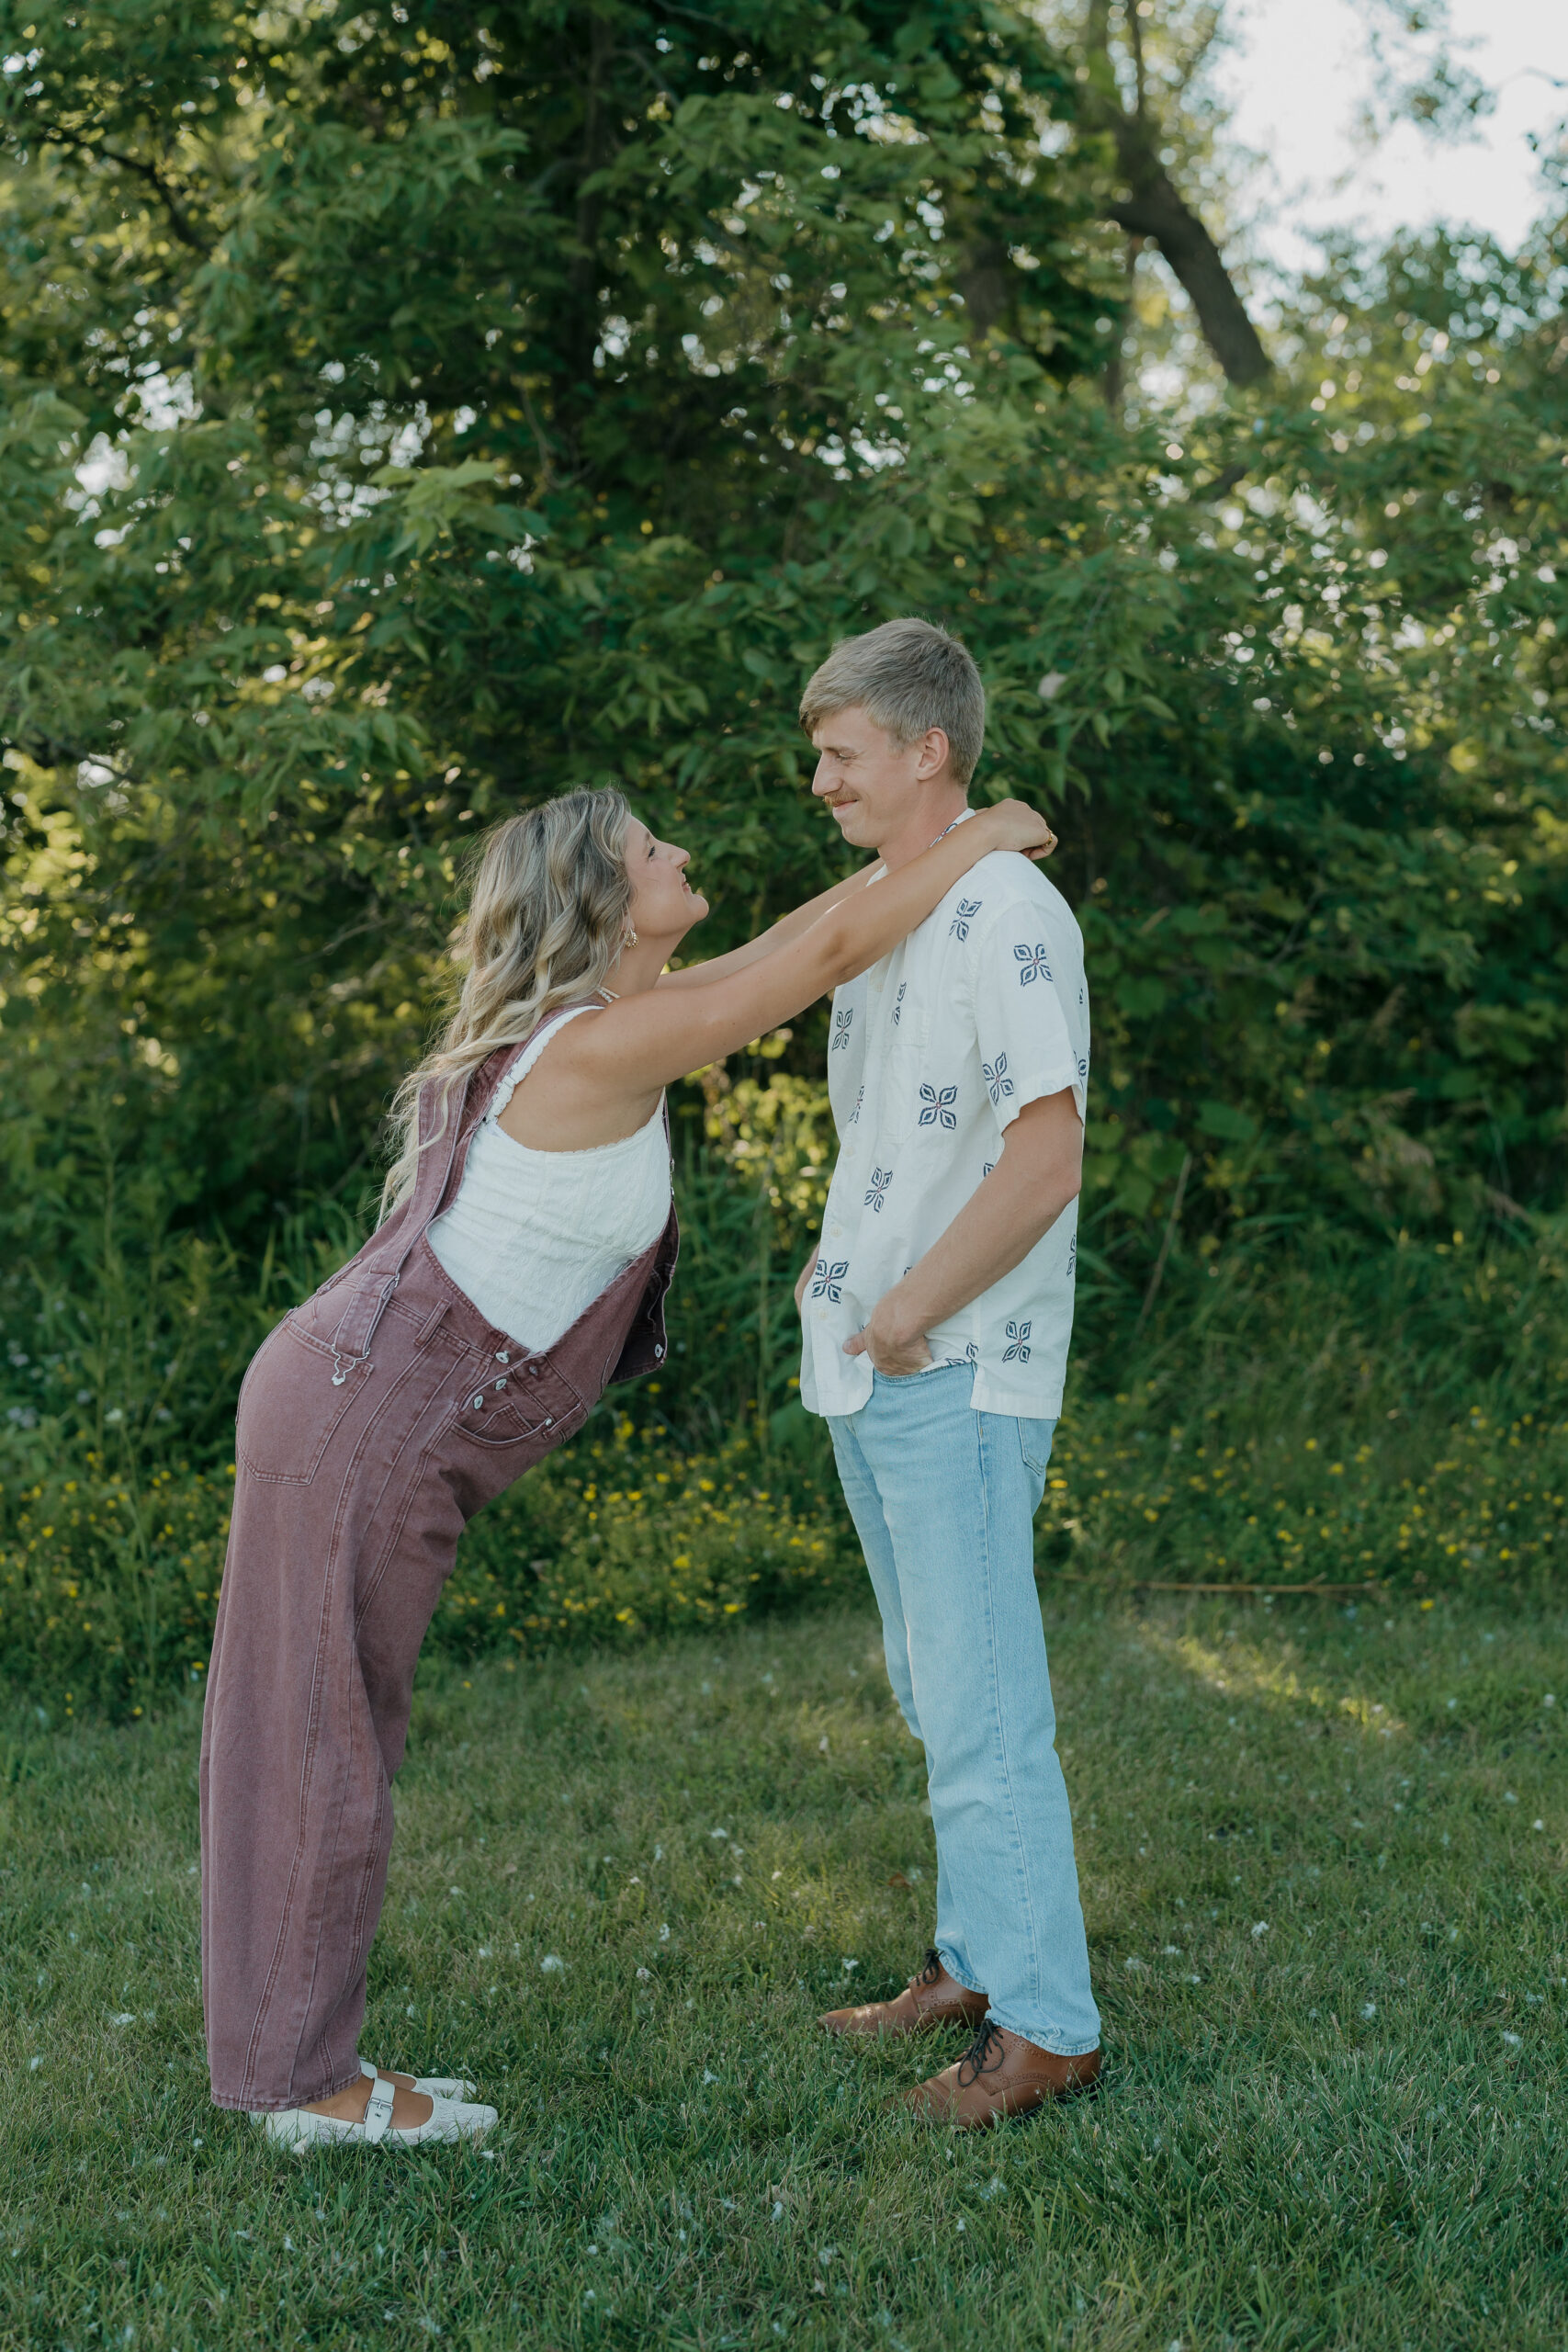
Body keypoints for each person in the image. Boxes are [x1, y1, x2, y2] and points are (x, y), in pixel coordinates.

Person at [200, 780, 1056, 2149]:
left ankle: (303, 2065)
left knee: (329, 1730)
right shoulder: (601, 1045)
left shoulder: (610, 1020)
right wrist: (987, 838)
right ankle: (309, 2088)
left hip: (358, 1407)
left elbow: (799, 934)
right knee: (317, 1742)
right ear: (606, 901)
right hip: (356, 1419)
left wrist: (939, 848)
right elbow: (826, 956)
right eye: (655, 849)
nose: (683, 851)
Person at [795, 618, 1102, 2128]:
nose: (821, 782)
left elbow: (1048, 1157)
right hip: (873, 1362)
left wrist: (914, 1308)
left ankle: (1048, 2026)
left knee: (985, 1710)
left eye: (841, 754)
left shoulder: (1011, 912)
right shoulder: (889, 907)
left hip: (959, 1362)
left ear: (930, 750)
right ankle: (978, 1965)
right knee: (938, 1692)